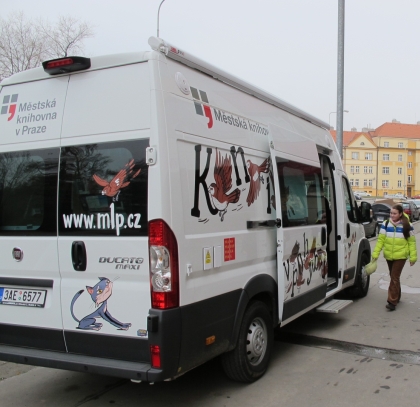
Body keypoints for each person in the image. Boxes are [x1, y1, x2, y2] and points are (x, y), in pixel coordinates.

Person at [372, 204, 417, 311]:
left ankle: (392, 301)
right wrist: (375, 254)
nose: (392, 215)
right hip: (389, 255)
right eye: (391, 213)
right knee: (394, 277)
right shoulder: (386, 224)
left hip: (401, 256)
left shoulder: (407, 225)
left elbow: (412, 242)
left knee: (394, 277)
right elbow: (381, 240)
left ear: (400, 214)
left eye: (394, 213)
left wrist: (413, 257)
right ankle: (397, 295)